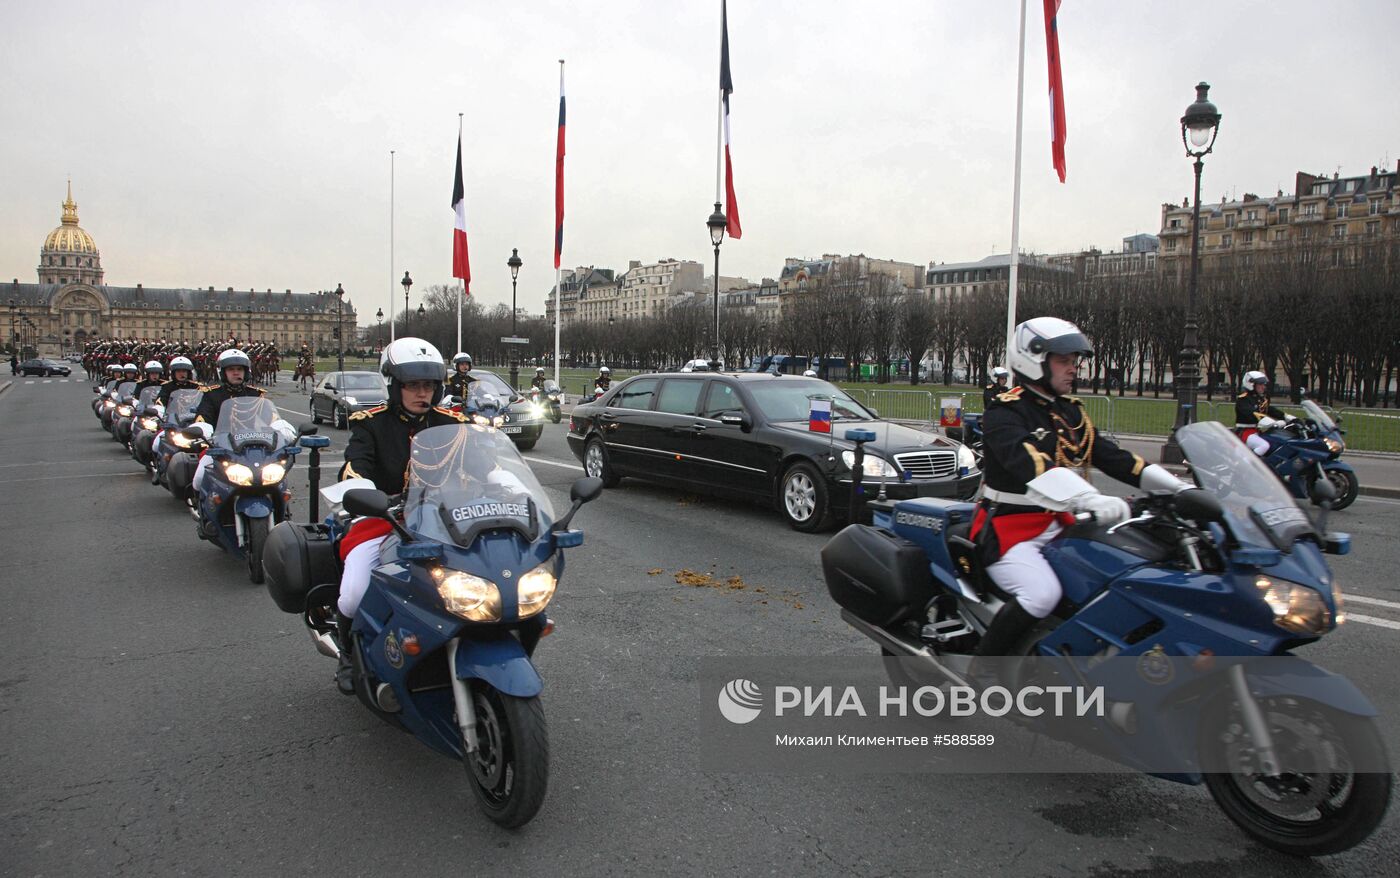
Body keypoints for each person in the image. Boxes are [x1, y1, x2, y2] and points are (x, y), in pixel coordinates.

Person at [973, 317, 1185, 669]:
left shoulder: (1070, 411)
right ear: (1033, 358)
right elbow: (1033, 467)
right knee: (1042, 595)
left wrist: (1178, 488)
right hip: (1011, 529)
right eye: (1063, 361)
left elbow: (1117, 460)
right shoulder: (1006, 410)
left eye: (1075, 361)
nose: (1073, 369)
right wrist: (1089, 498)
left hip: (1062, 522)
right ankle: (986, 668)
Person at [333, 338, 467, 692]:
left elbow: (481, 463)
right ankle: (349, 654)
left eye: (428, 385)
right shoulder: (371, 423)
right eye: (412, 386)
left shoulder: (452, 423)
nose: (422, 393)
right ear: (394, 386)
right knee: (354, 591)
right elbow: (353, 466)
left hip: (445, 520)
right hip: (385, 518)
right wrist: (363, 486)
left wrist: (501, 479)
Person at [1234, 370, 1289, 456]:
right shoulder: (1243, 399)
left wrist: (1287, 417)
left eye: (1264, 384)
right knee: (1264, 446)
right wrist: (1273, 423)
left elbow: (1271, 410)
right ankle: (1247, 466)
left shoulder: (1260, 399)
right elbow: (1252, 414)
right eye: (1260, 384)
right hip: (1244, 432)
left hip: (1255, 431)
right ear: (1251, 384)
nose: (1263, 387)